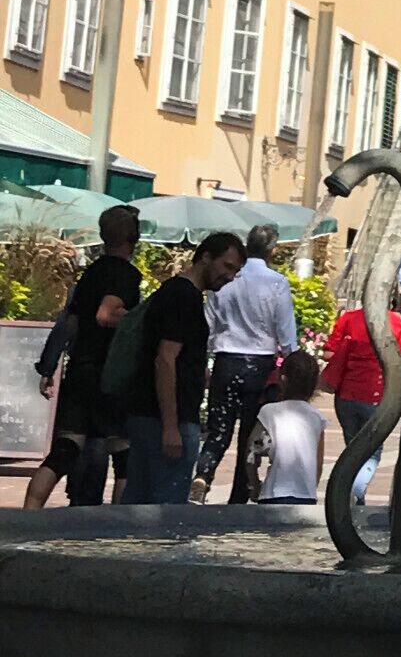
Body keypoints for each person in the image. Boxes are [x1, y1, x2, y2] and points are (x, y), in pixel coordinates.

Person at [25, 204, 142, 509]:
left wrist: (49, 365)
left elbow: (71, 323)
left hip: (81, 370)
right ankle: (115, 529)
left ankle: (28, 514)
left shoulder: (90, 274)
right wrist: (141, 321)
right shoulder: (126, 274)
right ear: (133, 237)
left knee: (64, 450)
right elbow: (107, 314)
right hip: (110, 375)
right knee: (125, 457)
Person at [123, 233, 245, 503]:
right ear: (205, 257)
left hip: (145, 415)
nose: (229, 276)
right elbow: (165, 359)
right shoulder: (184, 298)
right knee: (166, 513)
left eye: (235, 272)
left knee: (136, 509)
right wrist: (170, 427)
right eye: (227, 266)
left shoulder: (171, 291)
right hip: (167, 420)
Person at [192, 222, 298, 505]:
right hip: (259, 365)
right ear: (272, 250)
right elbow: (286, 331)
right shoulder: (276, 282)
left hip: (226, 361)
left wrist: (203, 358)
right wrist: (292, 364)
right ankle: (240, 491)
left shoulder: (226, 279)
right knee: (250, 433)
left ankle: (203, 474)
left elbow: (208, 325)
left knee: (218, 429)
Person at [320, 297, 401, 504]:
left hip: (345, 396)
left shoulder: (349, 319)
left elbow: (328, 353)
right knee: (372, 451)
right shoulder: (397, 324)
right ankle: (355, 492)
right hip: (377, 397)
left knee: (352, 446)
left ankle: (353, 499)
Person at [246, 349, 325, 502]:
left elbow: (250, 451)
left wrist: (254, 484)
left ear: (282, 379)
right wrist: (310, 487)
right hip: (306, 495)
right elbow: (318, 464)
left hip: (273, 492)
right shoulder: (317, 418)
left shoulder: (269, 412)